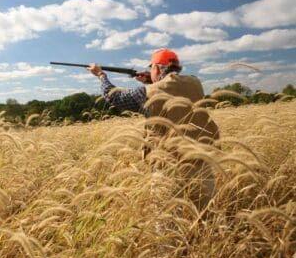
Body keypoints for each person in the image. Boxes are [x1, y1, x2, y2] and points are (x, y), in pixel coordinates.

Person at [87, 48, 219, 211]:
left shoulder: (146, 93)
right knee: (205, 218)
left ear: (155, 68)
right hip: (200, 164)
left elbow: (113, 96)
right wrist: (151, 81)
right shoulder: (195, 82)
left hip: (167, 169)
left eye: (151, 68)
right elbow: (171, 89)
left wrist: (101, 75)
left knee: (166, 228)